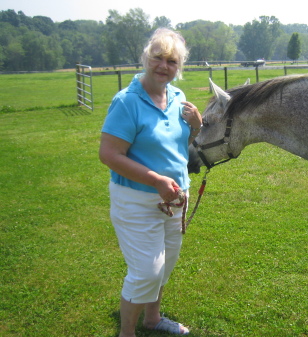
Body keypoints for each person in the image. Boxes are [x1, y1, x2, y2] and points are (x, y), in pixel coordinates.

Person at [99, 28, 202, 336]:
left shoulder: (178, 98)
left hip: (174, 197)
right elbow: (109, 154)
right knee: (147, 271)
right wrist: (156, 179)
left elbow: (178, 144)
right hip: (136, 199)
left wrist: (196, 126)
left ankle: (152, 319)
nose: (163, 66)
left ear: (178, 67)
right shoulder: (127, 102)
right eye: (158, 57)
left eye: (172, 61)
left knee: (165, 265)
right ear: (146, 58)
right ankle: (126, 332)